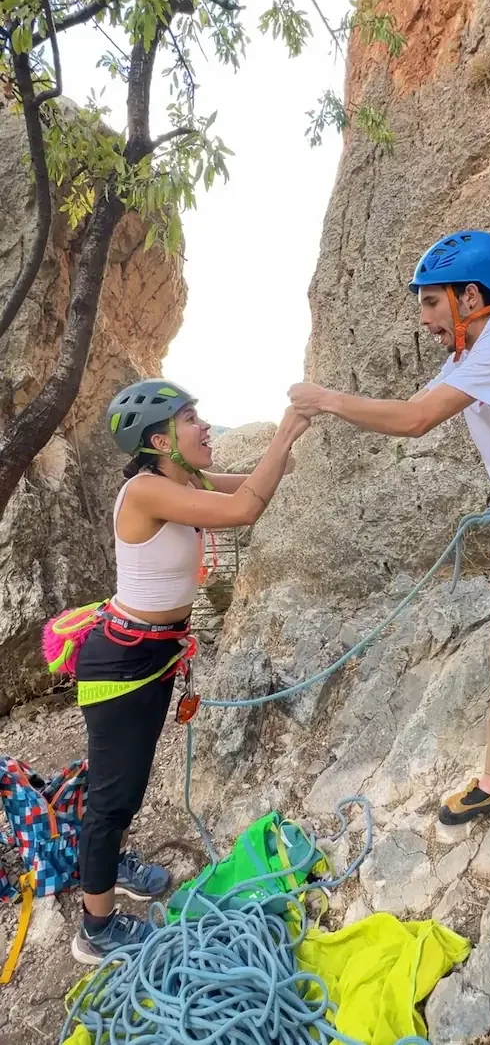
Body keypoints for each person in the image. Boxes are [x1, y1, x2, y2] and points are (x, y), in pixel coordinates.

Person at [289, 229, 490, 951]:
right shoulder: (476, 352)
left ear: (472, 296)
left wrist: (324, 398)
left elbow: (412, 418)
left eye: (433, 302)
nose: (425, 318)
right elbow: (419, 404)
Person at [72, 379, 309, 965]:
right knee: (114, 793)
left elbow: (255, 490)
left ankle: (109, 863)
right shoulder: (147, 490)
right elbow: (242, 510)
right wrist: (285, 428)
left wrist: (298, 436)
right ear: (159, 439)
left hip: (152, 653)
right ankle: (94, 930)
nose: (204, 427)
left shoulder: (185, 480)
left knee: (128, 780)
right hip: (123, 661)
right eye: (191, 419)